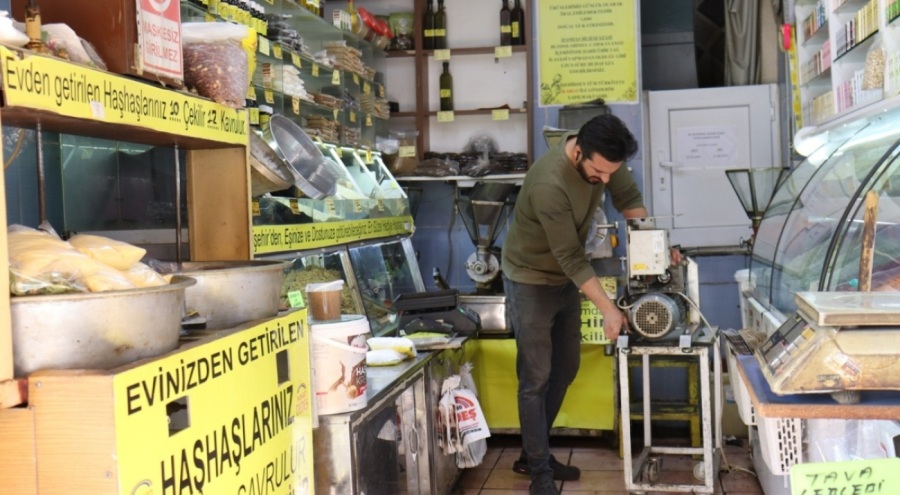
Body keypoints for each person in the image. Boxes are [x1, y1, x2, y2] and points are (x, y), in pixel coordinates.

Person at [501, 114, 680, 495]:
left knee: (565, 368)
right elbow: (570, 255)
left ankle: (531, 453)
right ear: (578, 152)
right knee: (535, 377)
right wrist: (608, 309)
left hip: (565, 279)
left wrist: (657, 248)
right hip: (530, 278)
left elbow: (629, 201)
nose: (604, 180)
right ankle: (538, 471)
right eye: (598, 172)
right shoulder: (550, 183)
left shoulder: (606, 161)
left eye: (611, 173)